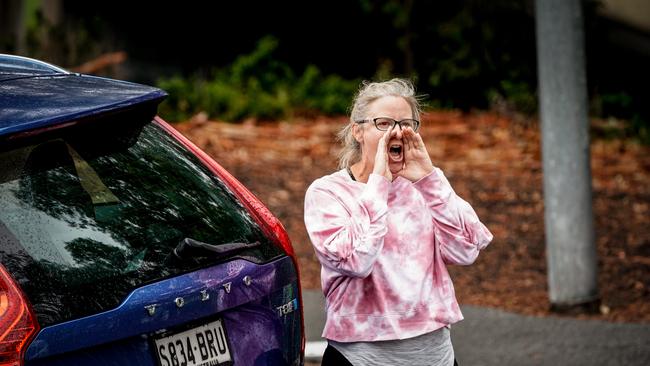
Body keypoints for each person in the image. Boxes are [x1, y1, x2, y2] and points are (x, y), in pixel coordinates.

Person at [303, 78, 493, 365]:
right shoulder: (328, 192)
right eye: (383, 123)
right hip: (360, 357)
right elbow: (355, 261)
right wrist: (379, 183)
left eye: (406, 124)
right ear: (357, 131)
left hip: (436, 355)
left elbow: (466, 250)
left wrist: (430, 180)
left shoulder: (424, 187)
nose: (396, 132)